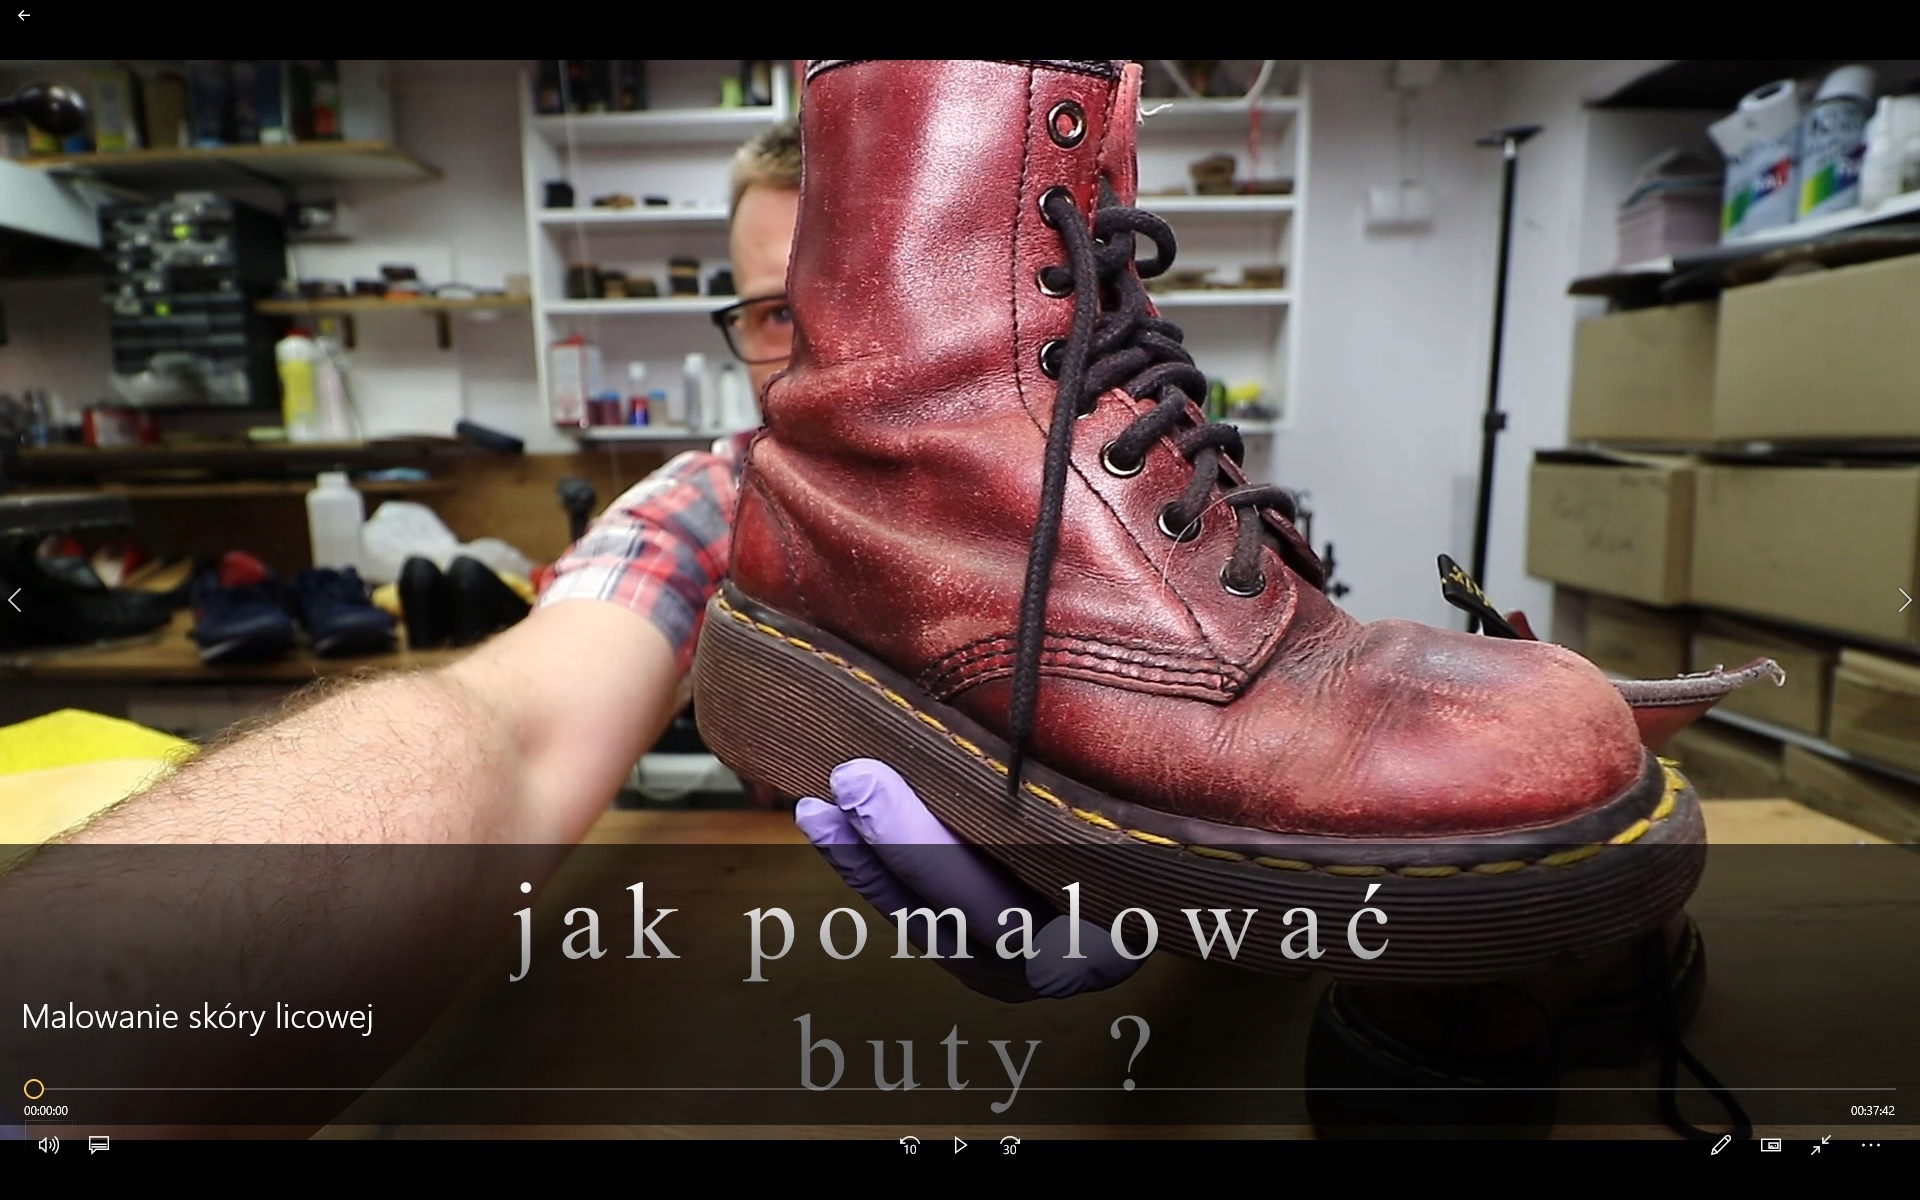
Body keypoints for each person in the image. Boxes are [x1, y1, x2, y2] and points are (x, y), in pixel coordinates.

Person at [54, 118, 1136, 1003]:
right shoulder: (715, 506)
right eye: (776, 313)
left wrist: (1189, 886)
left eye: (863, 302)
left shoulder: (1130, 514)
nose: (818, 355)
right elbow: (514, 727)